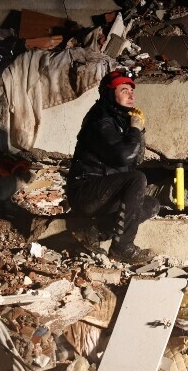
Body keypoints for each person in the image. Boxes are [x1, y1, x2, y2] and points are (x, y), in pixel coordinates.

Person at [64, 69, 158, 265]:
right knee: (137, 179)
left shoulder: (121, 119)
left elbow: (135, 160)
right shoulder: (100, 118)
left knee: (151, 204)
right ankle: (122, 247)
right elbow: (124, 156)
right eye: (124, 90)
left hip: (104, 194)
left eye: (132, 91)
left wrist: (139, 131)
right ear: (109, 93)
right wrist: (134, 129)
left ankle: (93, 232)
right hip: (86, 192)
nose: (131, 94)